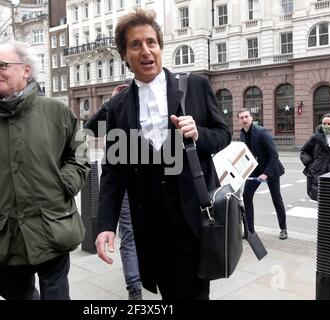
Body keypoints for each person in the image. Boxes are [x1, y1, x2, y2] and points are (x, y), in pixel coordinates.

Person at [95, 8, 231, 300]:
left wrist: (199, 134)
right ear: (124, 54)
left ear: (160, 47)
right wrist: (105, 224)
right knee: (168, 293)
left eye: (151, 42)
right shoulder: (118, 105)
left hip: (193, 222)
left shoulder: (194, 86)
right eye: (135, 45)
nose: (146, 51)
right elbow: (114, 171)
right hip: (151, 229)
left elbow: (223, 135)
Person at [0, 42, 90, 300]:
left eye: (1, 65)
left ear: (26, 70)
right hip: (3, 233)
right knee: (12, 293)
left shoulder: (56, 111)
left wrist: (66, 183)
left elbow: (79, 154)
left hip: (53, 226)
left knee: (56, 295)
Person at [84, 82, 143, 300]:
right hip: (124, 184)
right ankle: (134, 287)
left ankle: (146, 273)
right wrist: (110, 103)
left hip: (150, 184)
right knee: (128, 236)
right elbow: (90, 129)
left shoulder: (145, 111)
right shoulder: (113, 112)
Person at [238, 108, 288, 240]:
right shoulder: (242, 134)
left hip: (271, 169)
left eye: (246, 117)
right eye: (241, 117)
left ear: (251, 118)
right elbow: (248, 155)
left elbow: (274, 155)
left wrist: (266, 174)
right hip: (256, 168)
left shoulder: (262, 132)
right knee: (246, 196)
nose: (244, 119)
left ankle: (283, 229)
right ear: (239, 120)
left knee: (276, 199)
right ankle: (250, 230)